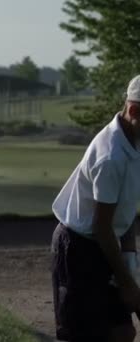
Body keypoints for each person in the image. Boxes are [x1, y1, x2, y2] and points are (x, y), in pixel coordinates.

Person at [51, 75, 140, 342]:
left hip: (106, 242)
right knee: (87, 336)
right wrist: (126, 282)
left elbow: (126, 210)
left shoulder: (135, 140)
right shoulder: (110, 156)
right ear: (134, 110)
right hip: (78, 249)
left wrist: (130, 264)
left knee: (123, 332)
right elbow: (102, 226)